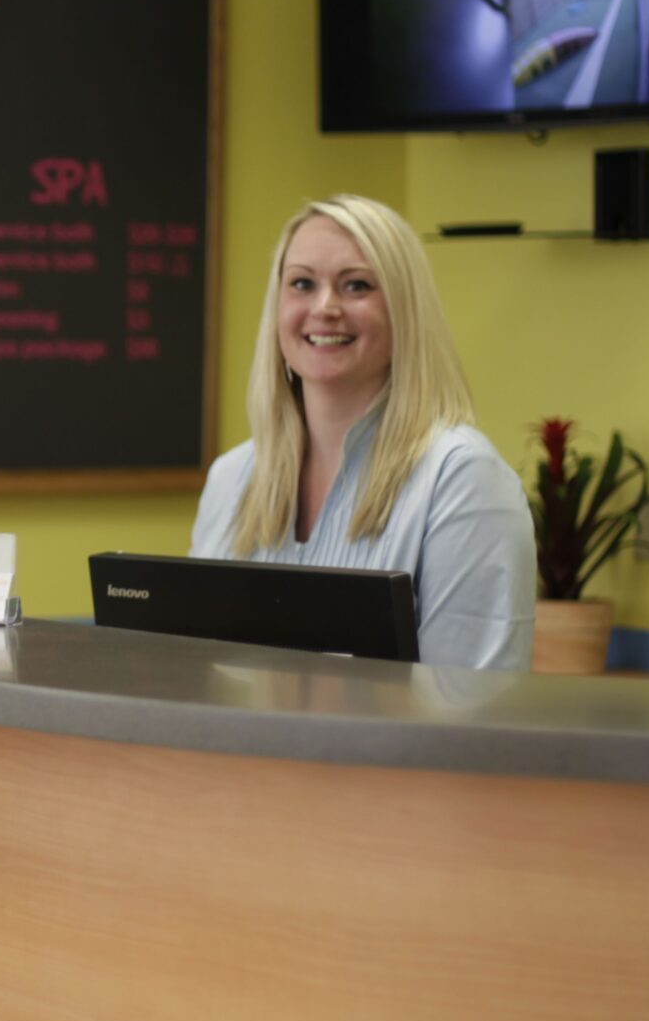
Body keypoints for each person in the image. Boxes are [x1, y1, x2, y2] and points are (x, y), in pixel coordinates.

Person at [190, 193, 535, 669]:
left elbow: (466, 711)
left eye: (356, 286)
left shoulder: (461, 480)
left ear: (404, 311)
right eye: (302, 283)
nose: (325, 307)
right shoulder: (232, 479)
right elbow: (198, 671)